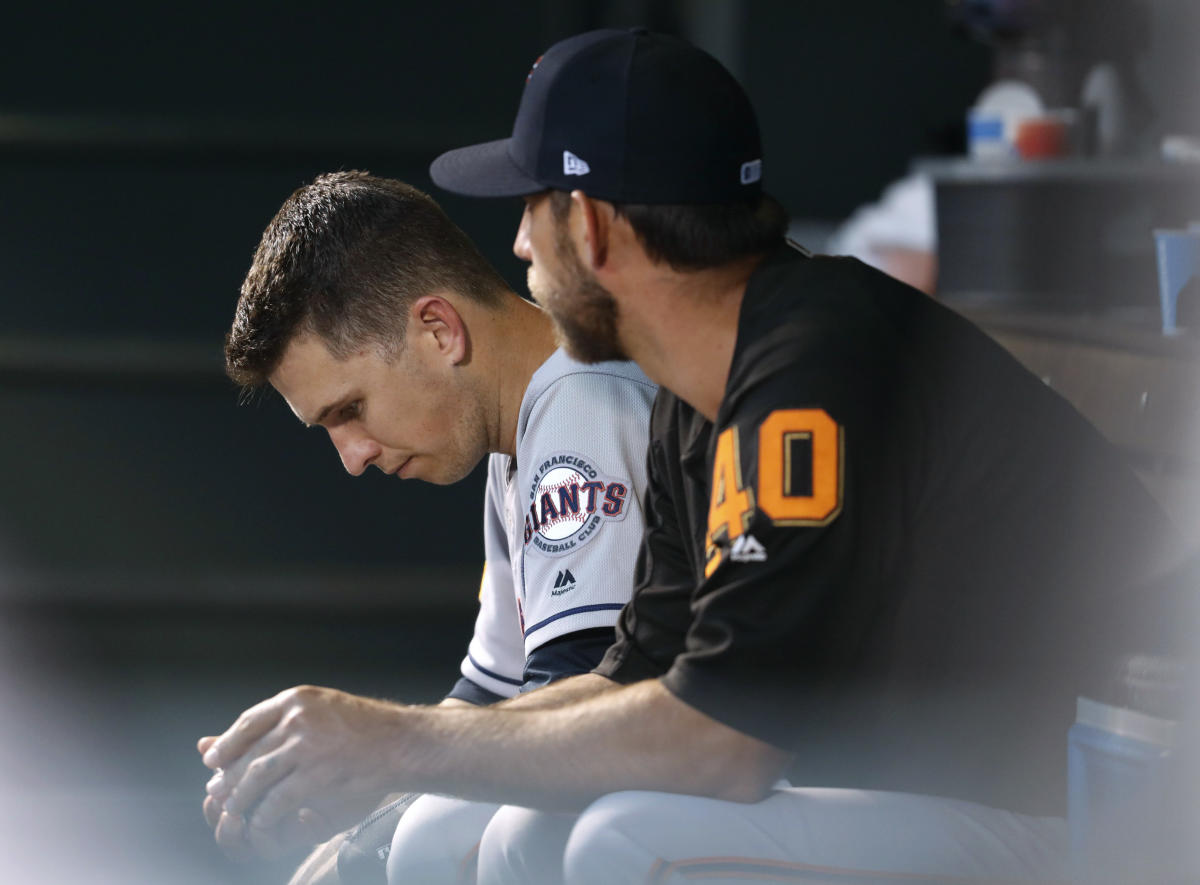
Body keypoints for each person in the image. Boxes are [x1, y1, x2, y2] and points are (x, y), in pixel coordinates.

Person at [202, 30, 1181, 884]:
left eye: (530, 207)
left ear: (589, 225)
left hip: (1079, 815)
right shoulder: (696, 392)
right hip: (901, 784)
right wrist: (390, 758)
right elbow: (635, 677)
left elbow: (726, 745)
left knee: (627, 844)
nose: (516, 242)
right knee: (528, 842)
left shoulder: (811, 362)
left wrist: (397, 747)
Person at [205, 170, 657, 884]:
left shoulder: (587, 402)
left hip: (812, 752)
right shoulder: (524, 430)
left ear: (438, 329)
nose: (352, 458)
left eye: (348, 409)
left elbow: (582, 707)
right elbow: (492, 695)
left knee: (448, 839)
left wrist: (380, 786)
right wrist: (360, 792)